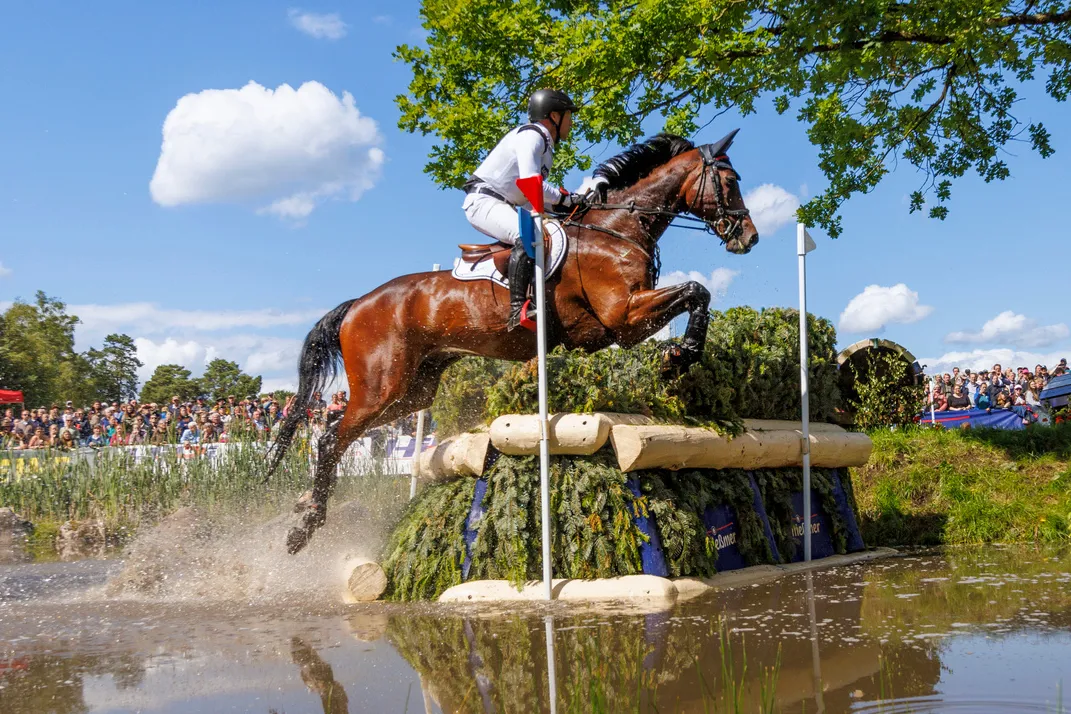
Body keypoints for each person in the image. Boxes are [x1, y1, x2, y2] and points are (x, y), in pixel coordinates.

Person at [462, 88, 591, 330]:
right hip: (484, 202)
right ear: (554, 116)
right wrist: (567, 198)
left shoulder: (545, 144)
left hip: (505, 202)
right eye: (569, 116)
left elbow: (535, 198)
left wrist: (570, 207)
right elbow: (531, 183)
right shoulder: (532, 136)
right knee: (529, 236)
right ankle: (518, 309)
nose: (571, 123)